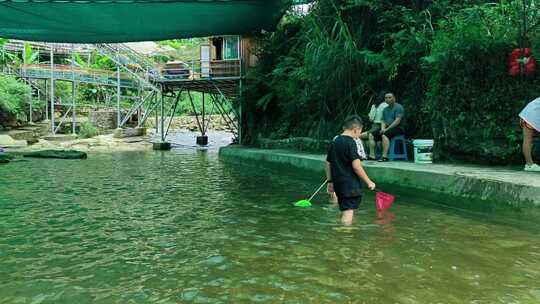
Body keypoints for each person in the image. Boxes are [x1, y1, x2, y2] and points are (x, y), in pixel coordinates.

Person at [325, 115, 376, 226]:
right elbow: (357, 166)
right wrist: (369, 182)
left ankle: (344, 226)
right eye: (359, 132)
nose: (358, 136)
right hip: (350, 185)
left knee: (346, 210)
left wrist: (330, 181)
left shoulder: (335, 141)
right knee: (348, 212)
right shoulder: (351, 142)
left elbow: (328, 163)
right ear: (355, 129)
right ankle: (345, 234)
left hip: (338, 184)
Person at [369, 92, 405, 162]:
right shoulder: (385, 109)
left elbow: (397, 121)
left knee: (385, 134)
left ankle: (385, 156)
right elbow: (383, 121)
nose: (387, 99)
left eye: (389, 97)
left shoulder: (398, 107)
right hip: (387, 128)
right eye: (386, 98)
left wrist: (386, 130)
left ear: (394, 98)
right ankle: (372, 155)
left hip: (398, 128)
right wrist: (383, 129)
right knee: (371, 134)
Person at [360, 92, 388, 160]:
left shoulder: (375, 106)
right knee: (370, 135)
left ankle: (366, 154)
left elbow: (371, 119)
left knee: (359, 136)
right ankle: (371, 154)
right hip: (386, 126)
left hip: (376, 126)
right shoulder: (388, 105)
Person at [519, 97, 540, 171]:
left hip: (527, 113)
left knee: (527, 140)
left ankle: (529, 164)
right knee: (528, 140)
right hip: (531, 115)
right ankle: (529, 165)